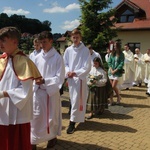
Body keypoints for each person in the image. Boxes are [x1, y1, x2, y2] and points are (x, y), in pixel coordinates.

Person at [0, 26, 42, 150]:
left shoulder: (24, 61)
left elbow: (26, 91)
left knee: (16, 144)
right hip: (2, 111)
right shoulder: (2, 60)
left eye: (3, 40)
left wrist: (3, 94)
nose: (0, 43)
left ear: (15, 42)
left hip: (17, 113)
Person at [30, 31, 65, 149]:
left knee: (50, 118)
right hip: (37, 92)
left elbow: (59, 77)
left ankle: (51, 137)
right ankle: (33, 141)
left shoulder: (57, 58)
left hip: (50, 93)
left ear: (51, 41)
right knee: (35, 117)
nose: (42, 45)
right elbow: (32, 72)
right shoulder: (36, 57)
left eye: (44, 42)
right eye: (40, 42)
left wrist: (45, 81)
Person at [63, 28, 91, 134]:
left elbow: (87, 66)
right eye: (73, 37)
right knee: (72, 100)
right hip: (71, 79)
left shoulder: (85, 50)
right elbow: (64, 63)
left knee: (76, 101)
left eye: (77, 37)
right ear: (71, 38)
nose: (75, 39)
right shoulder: (68, 50)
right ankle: (74, 118)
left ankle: (72, 123)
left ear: (80, 38)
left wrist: (75, 72)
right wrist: (68, 72)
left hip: (79, 79)